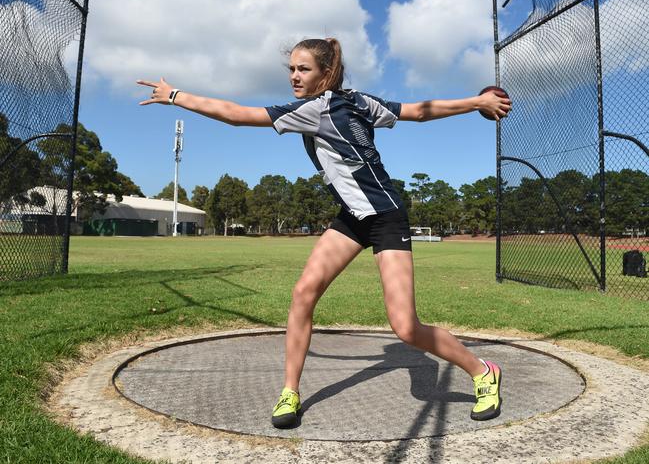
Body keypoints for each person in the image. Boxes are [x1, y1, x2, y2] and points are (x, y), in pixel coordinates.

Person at [137, 37, 511, 429]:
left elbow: (419, 111)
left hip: (386, 217)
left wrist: (476, 102)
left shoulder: (346, 104)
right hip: (351, 217)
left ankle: (483, 371)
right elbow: (418, 112)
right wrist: (476, 103)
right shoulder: (319, 107)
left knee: (405, 327)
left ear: (326, 73)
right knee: (303, 293)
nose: (294, 77)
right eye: (292, 70)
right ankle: (289, 392)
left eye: (304, 69)